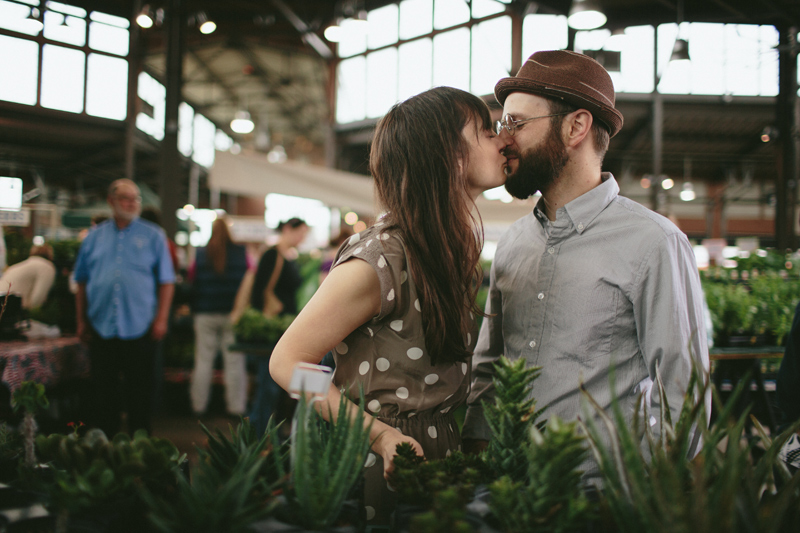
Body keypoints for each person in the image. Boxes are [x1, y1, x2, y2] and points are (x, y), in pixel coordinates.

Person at [462, 50, 710, 482]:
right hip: (510, 492)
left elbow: (683, 393)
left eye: (517, 123)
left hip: (603, 499)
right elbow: (489, 364)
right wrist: (481, 458)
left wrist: (633, 483)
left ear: (576, 126)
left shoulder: (654, 242)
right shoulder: (514, 242)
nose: (505, 139)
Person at [268, 86, 510, 525]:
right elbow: (287, 362)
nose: (503, 139)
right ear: (449, 156)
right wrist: (378, 435)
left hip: (433, 456)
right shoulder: (382, 257)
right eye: (486, 130)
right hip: (375, 461)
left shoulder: (442, 250)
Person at [73, 179, 175, 436]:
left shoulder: (153, 235)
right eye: (126, 198)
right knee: (103, 392)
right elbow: (81, 281)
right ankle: (107, 448)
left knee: (139, 393)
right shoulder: (93, 237)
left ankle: (140, 449)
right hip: (101, 324)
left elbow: (166, 281)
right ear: (111, 201)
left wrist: (161, 319)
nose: (132, 203)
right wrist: (81, 321)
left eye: (136, 199)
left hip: (140, 326)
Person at [247, 217, 309, 435]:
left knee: (274, 384)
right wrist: (264, 322)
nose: (303, 237)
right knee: (268, 383)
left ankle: (267, 432)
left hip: (283, 329)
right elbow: (258, 291)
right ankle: (258, 435)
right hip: (271, 330)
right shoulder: (273, 254)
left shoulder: (288, 256)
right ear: (287, 229)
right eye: (301, 232)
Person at [189, 216, 250, 418]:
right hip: (233, 316)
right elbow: (249, 282)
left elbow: (192, 282)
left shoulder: (200, 254)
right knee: (234, 363)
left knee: (203, 361)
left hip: (204, 313)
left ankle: (198, 407)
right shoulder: (242, 254)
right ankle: (236, 408)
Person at [0, 243, 56, 309]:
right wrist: (32, 310)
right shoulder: (47, 267)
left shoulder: (18, 266)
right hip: (13, 305)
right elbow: (38, 296)